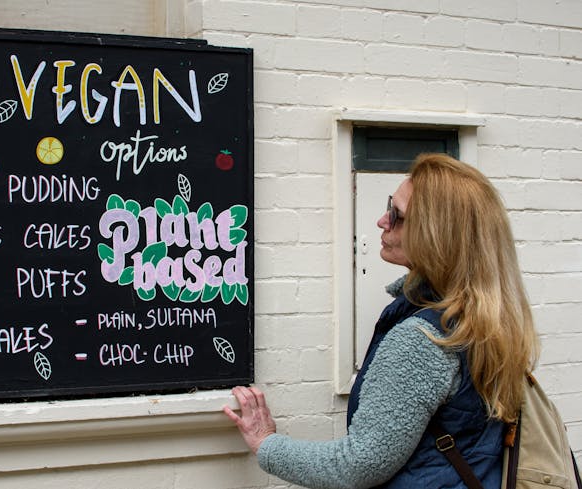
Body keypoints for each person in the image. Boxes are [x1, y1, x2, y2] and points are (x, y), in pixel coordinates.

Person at [224, 153, 539, 489]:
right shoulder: (486, 320)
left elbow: (358, 465)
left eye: (397, 215)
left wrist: (267, 445)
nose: (381, 221)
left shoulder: (423, 340)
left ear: (436, 236)